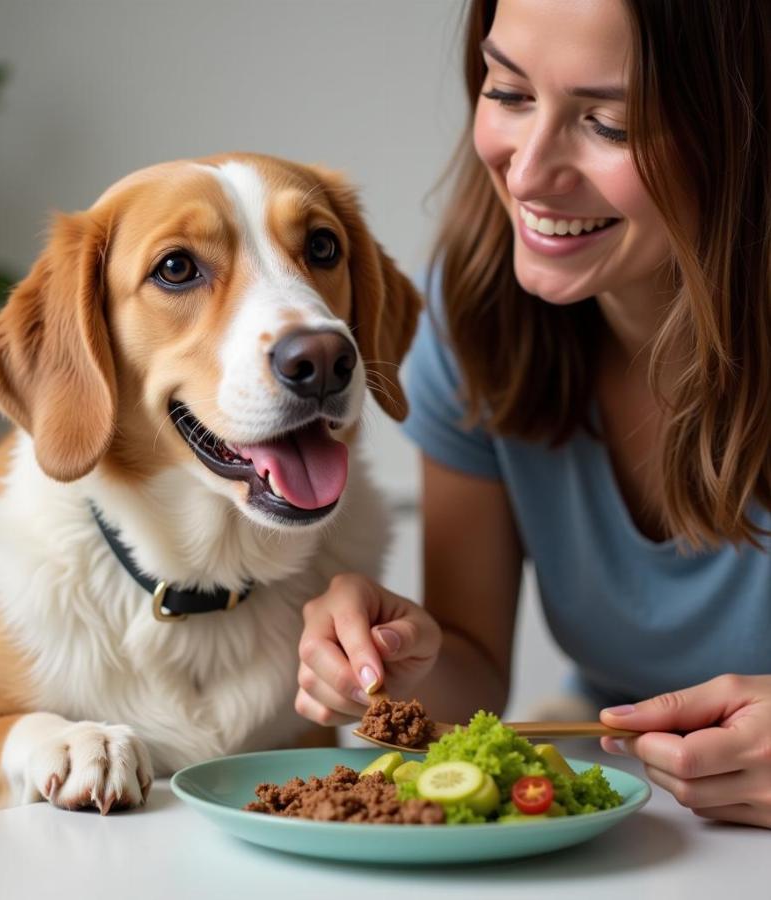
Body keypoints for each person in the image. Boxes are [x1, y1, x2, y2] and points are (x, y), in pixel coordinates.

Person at [294, 0, 771, 829]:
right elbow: (474, 677)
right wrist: (397, 661)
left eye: (610, 125)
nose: (526, 171)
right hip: (636, 822)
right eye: (509, 93)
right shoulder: (474, 319)